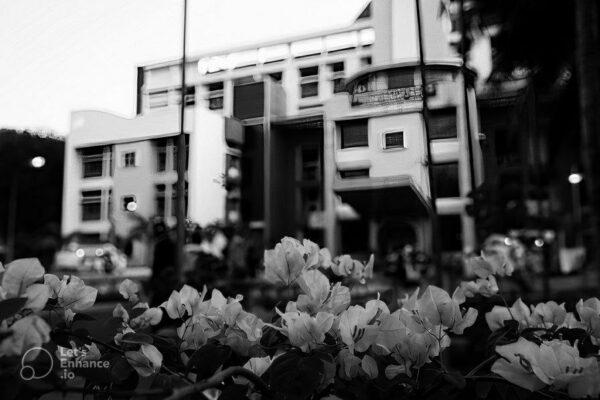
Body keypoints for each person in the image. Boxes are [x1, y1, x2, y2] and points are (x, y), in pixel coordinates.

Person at [149, 218, 176, 306]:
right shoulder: (169, 243)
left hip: (163, 280)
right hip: (167, 279)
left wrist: (153, 281)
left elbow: (156, 265)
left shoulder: (160, 244)